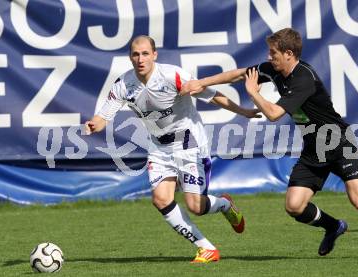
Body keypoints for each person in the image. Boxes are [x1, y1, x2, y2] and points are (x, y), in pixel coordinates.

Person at [181, 28, 358, 257]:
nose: (269, 58)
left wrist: (254, 94)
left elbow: (273, 114)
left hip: (340, 143)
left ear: (289, 53)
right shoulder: (274, 69)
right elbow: (241, 73)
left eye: (273, 53)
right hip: (314, 148)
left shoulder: (303, 79)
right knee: (294, 206)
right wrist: (200, 83)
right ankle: (333, 227)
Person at [84, 35, 261, 263]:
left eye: (145, 53)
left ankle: (225, 205)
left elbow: (212, 95)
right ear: (130, 57)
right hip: (159, 148)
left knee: (196, 206)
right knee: (160, 199)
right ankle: (206, 248)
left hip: (190, 144)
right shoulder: (123, 84)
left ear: (154, 55)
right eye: (136, 54)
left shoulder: (172, 75)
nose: (140, 59)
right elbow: (104, 116)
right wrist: (94, 124)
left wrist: (243, 112)